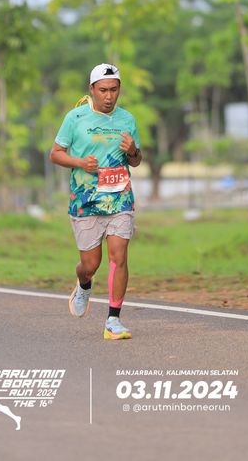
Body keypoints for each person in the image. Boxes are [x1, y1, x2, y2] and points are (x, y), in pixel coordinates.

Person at [50, 63, 142, 340]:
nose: (109, 96)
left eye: (114, 90)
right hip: (86, 200)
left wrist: (133, 150)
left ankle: (113, 321)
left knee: (119, 256)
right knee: (90, 264)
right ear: (92, 89)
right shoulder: (75, 118)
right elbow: (55, 153)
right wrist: (79, 162)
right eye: (103, 90)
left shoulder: (127, 119)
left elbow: (136, 161)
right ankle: (83, 284)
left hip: (120, 198)